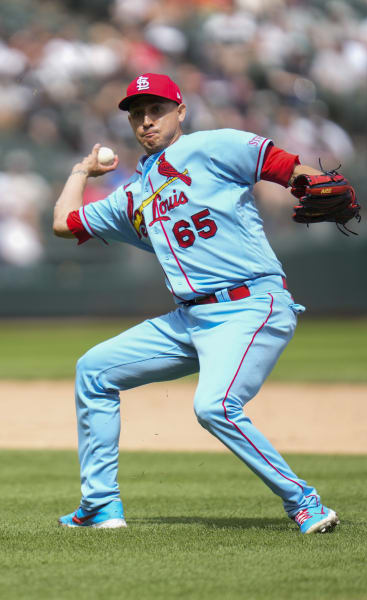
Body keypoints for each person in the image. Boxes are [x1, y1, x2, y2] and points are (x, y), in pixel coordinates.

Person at [53, 72, 340, 533]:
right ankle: (101, 505)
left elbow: (283, 165)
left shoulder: (211, 146)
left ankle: (303, 501)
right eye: (137, 113)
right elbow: (65, 223)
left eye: (156, 110)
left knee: (215, 406)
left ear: (180, 112)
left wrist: (309, 181)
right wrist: (80, 173)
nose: (146, 121)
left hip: (250, 303)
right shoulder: (133, 194)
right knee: (94, 370)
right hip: (191, 318)